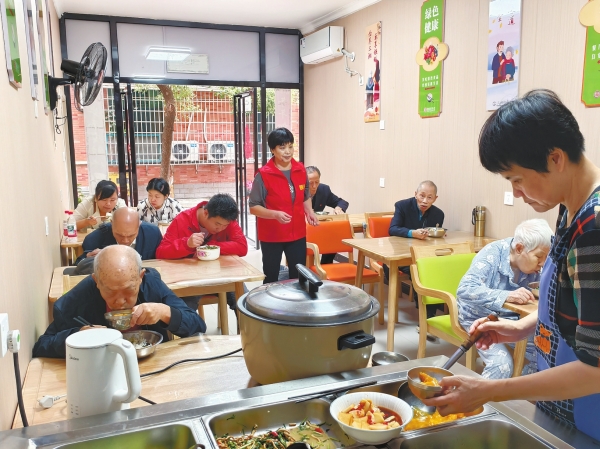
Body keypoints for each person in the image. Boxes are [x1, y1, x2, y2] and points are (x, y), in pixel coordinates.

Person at [423, 90, 600, 441]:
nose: (516, 193)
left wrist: (490, 390)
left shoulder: (594, 229)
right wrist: (520, 327)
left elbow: (596, 369)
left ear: (555, 159)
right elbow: (578, 311)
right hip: (560, 404)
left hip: (588, 418)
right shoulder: (569, 208)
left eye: (516, 179)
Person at [32, 245, 205, 358]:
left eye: (129, 290)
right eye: (110, 291)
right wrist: (77, 335)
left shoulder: (151, 285)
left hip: (154, 367)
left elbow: (198, 326)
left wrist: (164, 312)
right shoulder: (76, 301)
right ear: (96, 281)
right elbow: (42, 346)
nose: (120, 301)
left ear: (140, 277)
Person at [457, 219, 552, 379]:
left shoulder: (537, 265)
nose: (542, 264)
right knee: (502, 365)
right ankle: (477, 395)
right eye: (539, 257)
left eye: (546, 257)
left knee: (546, 353)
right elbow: (465, 289)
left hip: (514, 319)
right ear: (519, 248)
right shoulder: (493, 253)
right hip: (479, 318)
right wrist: (506, 295)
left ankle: (514, 388)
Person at [249, 127, 319, 284]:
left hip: (297, 233)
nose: (288, 151)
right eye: (282, 147)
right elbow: (253, 207)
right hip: (272, 234)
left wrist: (310, 212)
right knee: (271, 276)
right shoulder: (263, 175)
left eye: (290, 146)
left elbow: (305, 196)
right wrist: (275, 214)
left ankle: (296, 300)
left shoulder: (301, 170)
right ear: (272, 150)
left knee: (299, 276)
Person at [156, 193, 248, 310]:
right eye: (217, 224)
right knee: (184, 309)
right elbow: (161, 252)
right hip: (191, 279)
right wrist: (186, 244)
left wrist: (212, 246)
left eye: (225, 226)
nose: (220, 229)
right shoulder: (183, 219)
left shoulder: (226, 219)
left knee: (245, 302)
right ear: (205, 213)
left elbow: (242, 247)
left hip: (221, 275)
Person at [385, 181, 445, 333]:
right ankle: (427, 319)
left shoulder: (438, 214)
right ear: (415, 194)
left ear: (435, 198)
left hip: (424, 256)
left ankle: (429, 319)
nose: (425, 201)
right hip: (400, 255)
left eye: (429, 197)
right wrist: (412, 233)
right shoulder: (402, 206)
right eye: (422, 196)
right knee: (421, 272)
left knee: (434, 271)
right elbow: (393, 229)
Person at [74, 207, 162, 268]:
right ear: (112, 223)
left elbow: (161, 263)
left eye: (131, 235)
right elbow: (78, 265)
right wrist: (89, 260)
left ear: (139, 225)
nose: (125, 241)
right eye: (119, 235)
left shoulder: (152, 234)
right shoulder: (99, 235)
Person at [306, 165, 349, 264]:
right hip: (302, 230)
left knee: (334, 236)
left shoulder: (323, 189)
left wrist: (338, 208)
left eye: (317, 182)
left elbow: (342, 202)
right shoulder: (297, 190)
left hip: (317, 227)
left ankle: (325, 265)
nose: (314, 186)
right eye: (311, 183)